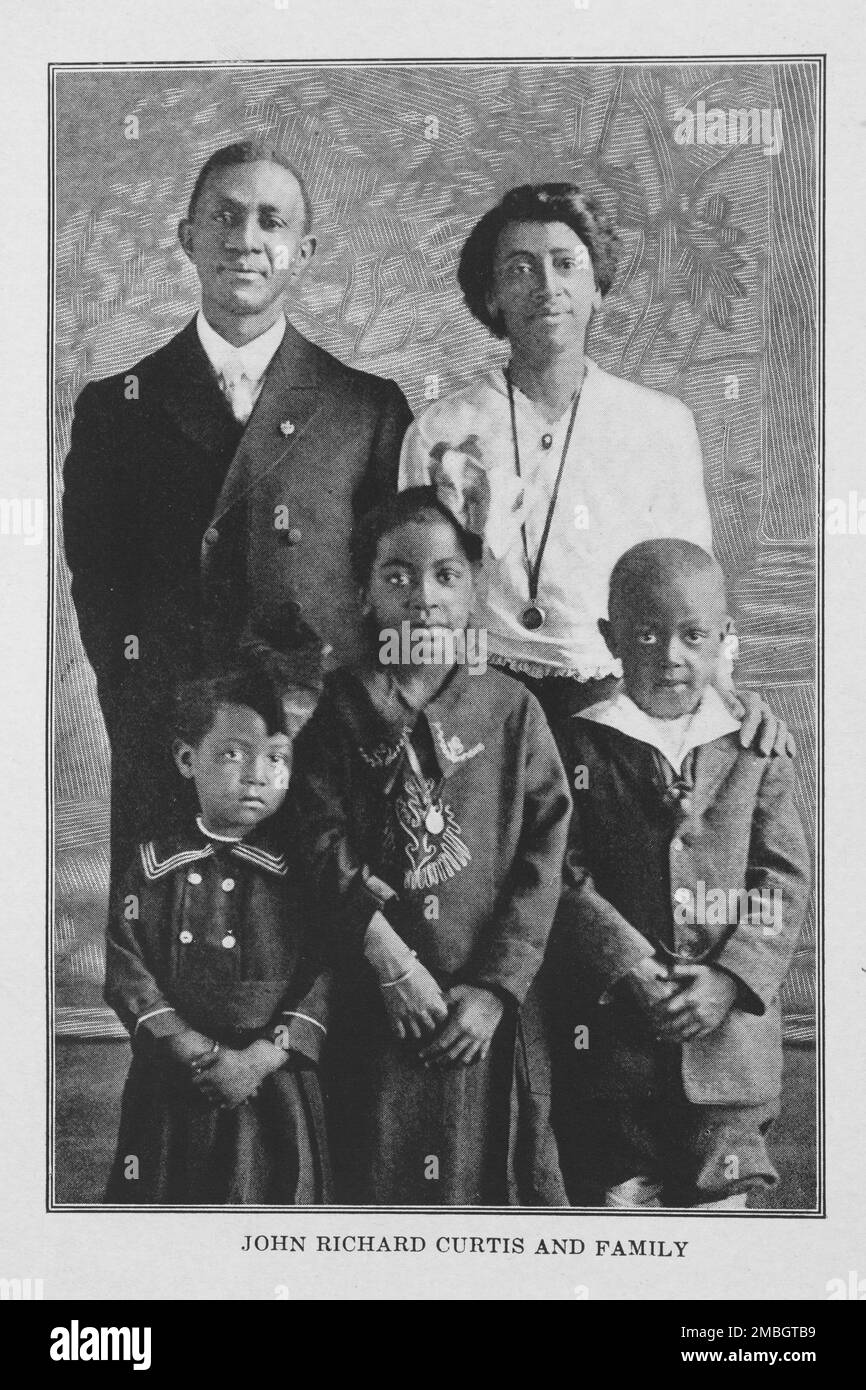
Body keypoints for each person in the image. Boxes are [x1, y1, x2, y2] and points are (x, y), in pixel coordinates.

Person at [62, 139, 412, 880]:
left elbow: (390, 594)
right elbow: (101, 591)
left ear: (303, 249)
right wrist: (151, 719)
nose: (245, 239)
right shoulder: (117, 408)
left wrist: (357, 727)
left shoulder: (366, 409)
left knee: (320, 979)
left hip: (317, 755)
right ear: (188, 238)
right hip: (176, 749)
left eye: (270, 222)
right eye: (223, 216)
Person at [399, 182, 788, 758]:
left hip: (617, 700)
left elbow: (691, 585)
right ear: (493, 296)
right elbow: (420, 593)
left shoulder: (659, 424)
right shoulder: (440, 428)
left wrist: (726, 690)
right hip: (481, 698)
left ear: (597, 287)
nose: (548, 287)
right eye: (522, 269)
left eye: (565, 264)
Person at [289, 488, 572, 1205]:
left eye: (447, 575)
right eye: (398, 577)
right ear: (362, 594)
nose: (425, 597)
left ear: (474, 589)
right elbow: (314, 844)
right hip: (375, 1002)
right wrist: (388, 962)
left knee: (485, 1188)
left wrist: (495, 989)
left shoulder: (511, 711)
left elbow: (545, 861)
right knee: (375, 1183)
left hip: (480, 1012)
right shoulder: (336, 712)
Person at [548, 539, 810, 1209]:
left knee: (717, 1219)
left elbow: (779, 880)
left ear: (723, 638)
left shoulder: (756, 748)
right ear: (610, 637)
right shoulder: (579, 744)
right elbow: (562, 873)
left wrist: (730, 979)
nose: (670, 654)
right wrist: (628, 964)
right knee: (618, 1204)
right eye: (646, 633)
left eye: (693, 635)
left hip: (729, 1059)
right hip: (613, 1054)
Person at [103, 639, 331, 1205]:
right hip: (178, 1081)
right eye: (232, 754)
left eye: (276, 757)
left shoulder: (301, 875)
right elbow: (127, 971)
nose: (257, 775)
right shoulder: (154, 868)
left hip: (271, 1081)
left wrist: (259, 1059)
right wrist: (197, 1053)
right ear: (186, 760)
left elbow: (326, 975)